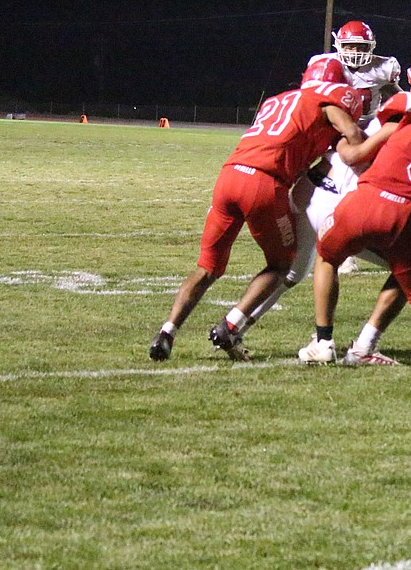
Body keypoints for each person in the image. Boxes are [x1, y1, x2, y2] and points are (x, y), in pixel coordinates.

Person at [147, 59, 365, 361]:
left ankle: (166, 333)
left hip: (229, 175)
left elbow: (292, 140)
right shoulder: (327, 100)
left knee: (207, 267)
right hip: (263, 183)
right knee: (281, 266)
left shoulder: (278, 101)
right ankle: (231, 324)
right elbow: (352, 135)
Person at [299, 90, 411, 381]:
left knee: (327, 257)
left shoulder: (408, 117)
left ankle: (323, 341)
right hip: (407, 217)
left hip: (363, 202)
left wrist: (343, 140)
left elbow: (353, 154)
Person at [310, 19, 402, 275]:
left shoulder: (384, 66)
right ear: (339, 45)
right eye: (349, 47)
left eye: (359, 47)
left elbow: (395, 92)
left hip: (366, 127)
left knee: (351, 182)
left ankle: (348, 244)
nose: (354, 52)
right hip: (331, 125)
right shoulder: (327, 63)